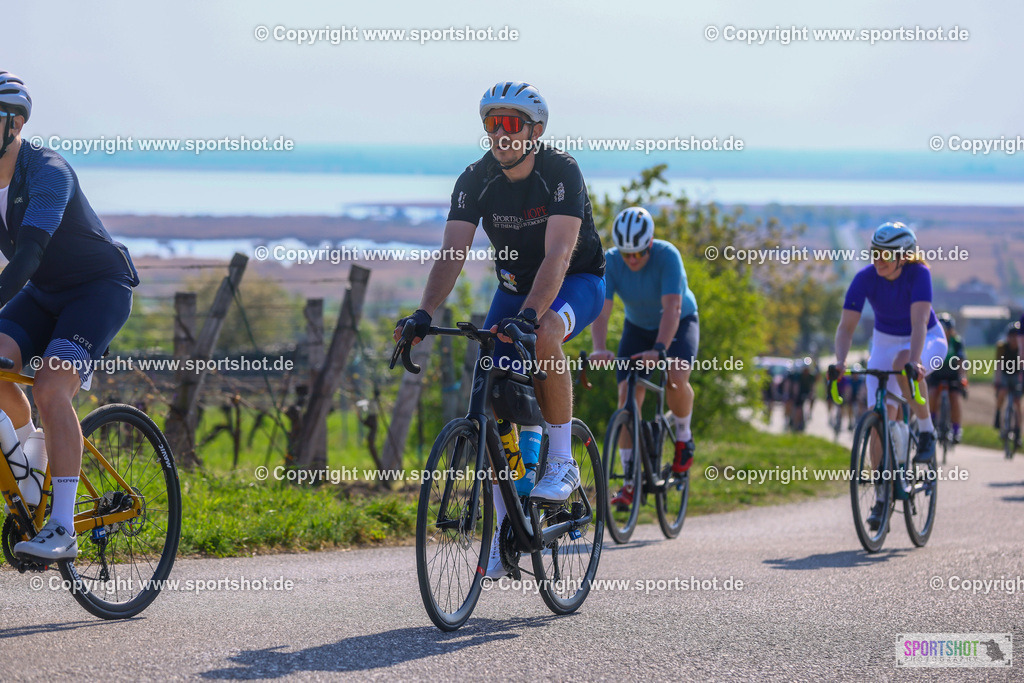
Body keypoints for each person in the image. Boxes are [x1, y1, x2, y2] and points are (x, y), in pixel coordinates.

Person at [392, 81, 605, 578]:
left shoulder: (561, 171)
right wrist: (423, 314)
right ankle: (504, 524)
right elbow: (453, 253)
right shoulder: (475, 179)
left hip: (575, 281)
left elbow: (559, 254)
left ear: (535, 131)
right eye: (492, 124)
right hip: (513, 288)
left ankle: (560, 461)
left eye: (511, 124)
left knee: (548, 332)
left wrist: (530, 318)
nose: (500, 134)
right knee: (489, 386)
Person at [0, 72, 140, 561]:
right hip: (43, 293)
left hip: (97, 290)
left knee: (50, 387)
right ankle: (31, 476)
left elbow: (26, 258)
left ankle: (63, 526)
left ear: (13, 124)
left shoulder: (48, 172)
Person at [833, 222, 946, 531]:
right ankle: (883, 495)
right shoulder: (865, 278)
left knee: (902, 363)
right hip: (883, 342)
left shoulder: (919, 274)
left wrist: (915, 360)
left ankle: (926, 432)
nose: (878, 260)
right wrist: (840, 361)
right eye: (874, 252)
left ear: (904, 256)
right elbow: (846, 327)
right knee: (878, 419)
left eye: (886, 254)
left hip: (926, 339)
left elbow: (920, 323)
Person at [590, 207, 699, 506]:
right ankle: (629, 482)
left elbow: (673, 309)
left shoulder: (668, 256)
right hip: (638, 327)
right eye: (627, 254)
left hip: (678, 322)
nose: (633, 259)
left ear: (650, 244)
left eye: (638, 252)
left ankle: (683, 437)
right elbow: (603, 308)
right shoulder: (611, 262)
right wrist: (599, 347)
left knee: (676, 376)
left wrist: (661, 350)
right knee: (626, 398)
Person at [926, 312, 966, 443]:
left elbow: (961, 360)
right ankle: (931, 422)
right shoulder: (933, 340)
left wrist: (962, 377)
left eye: (946, 329)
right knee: (932, 394)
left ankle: (956, 429)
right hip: (936, 374)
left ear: (951, 330)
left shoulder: (957, 342)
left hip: (953, 375)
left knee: (955, 398)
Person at [994, 321, 1022, 440]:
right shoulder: (1002, 347)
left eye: (1016, 336)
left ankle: (1018, 433)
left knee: (1017, 403)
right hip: (1005, 374)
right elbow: (998, 365)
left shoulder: (1022, 348)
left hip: (1018, 375)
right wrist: (997, 380)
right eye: (1011, 336)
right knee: (1002, 392)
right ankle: (998, 413)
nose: (1014, 339)